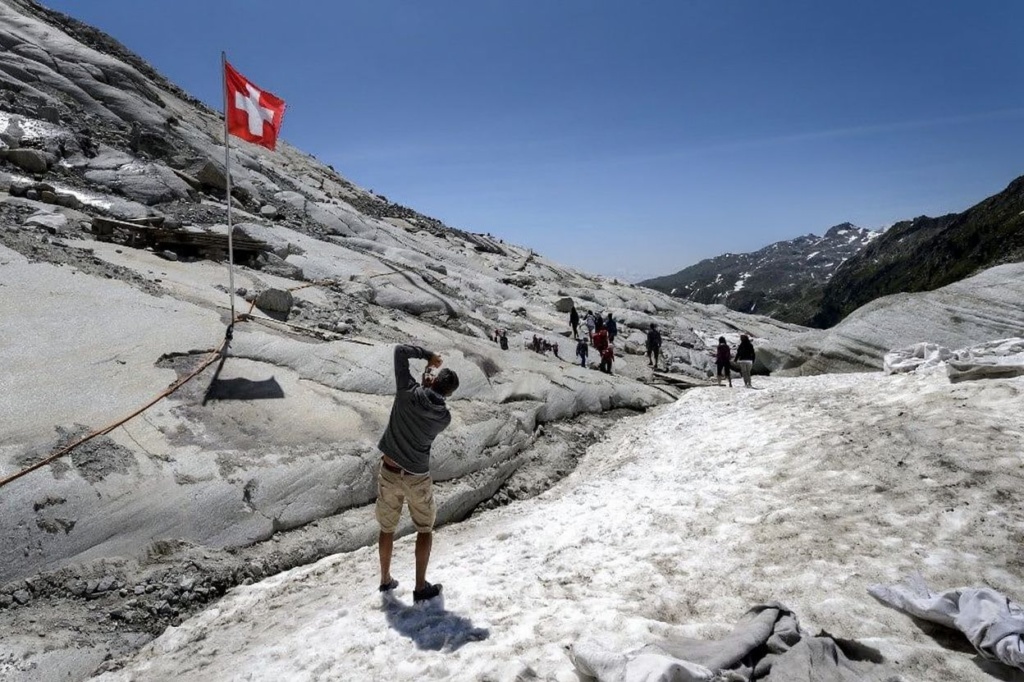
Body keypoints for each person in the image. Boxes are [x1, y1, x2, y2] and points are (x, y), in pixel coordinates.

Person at [376, 344, 459, 603]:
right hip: (417, 476)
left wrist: (429, 358)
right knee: (424, 529)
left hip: (390, 470)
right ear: (449, 394)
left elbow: (400, 351)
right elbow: (429, 403)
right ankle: (420, 587)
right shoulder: (443, 417)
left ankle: (385, 579)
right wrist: (427, 386)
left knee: (387, 528)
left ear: (434, 379)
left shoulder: (406, 392)